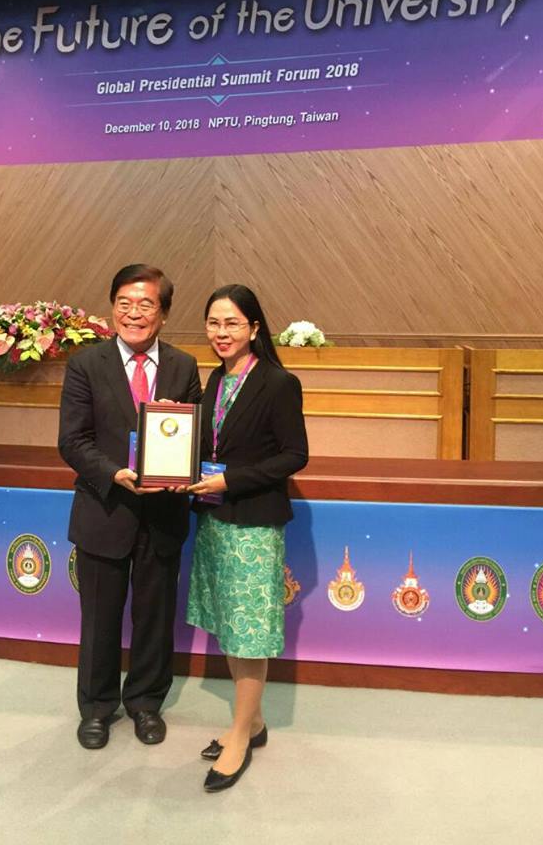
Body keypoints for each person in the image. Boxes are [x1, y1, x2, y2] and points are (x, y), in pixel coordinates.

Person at [58, 264, 201, 750]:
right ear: (112, 308)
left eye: (145, 304)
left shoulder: (183, 366)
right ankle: (97, 708)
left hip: (163, 514)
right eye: (124, 303)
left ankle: (145, 702)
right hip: (105, 509)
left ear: (164, 313)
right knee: (99, 618)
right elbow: (72, 440)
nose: (133, 313)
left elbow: (194, 435)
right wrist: (114, 473)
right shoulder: (86, 364)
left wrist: (185, 460)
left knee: (155, 617)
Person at [185, 284, 308, 792]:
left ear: (254, 328)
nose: (221, 332)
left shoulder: (279, 383)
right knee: (229, 626)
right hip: (216, 520)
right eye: (214, 323)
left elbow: (294, 455)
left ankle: (239, 736)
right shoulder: (215, 379)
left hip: (253, 525)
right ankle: (253, 722)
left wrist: (230, 481)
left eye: (232, 323)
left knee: (249, 631)